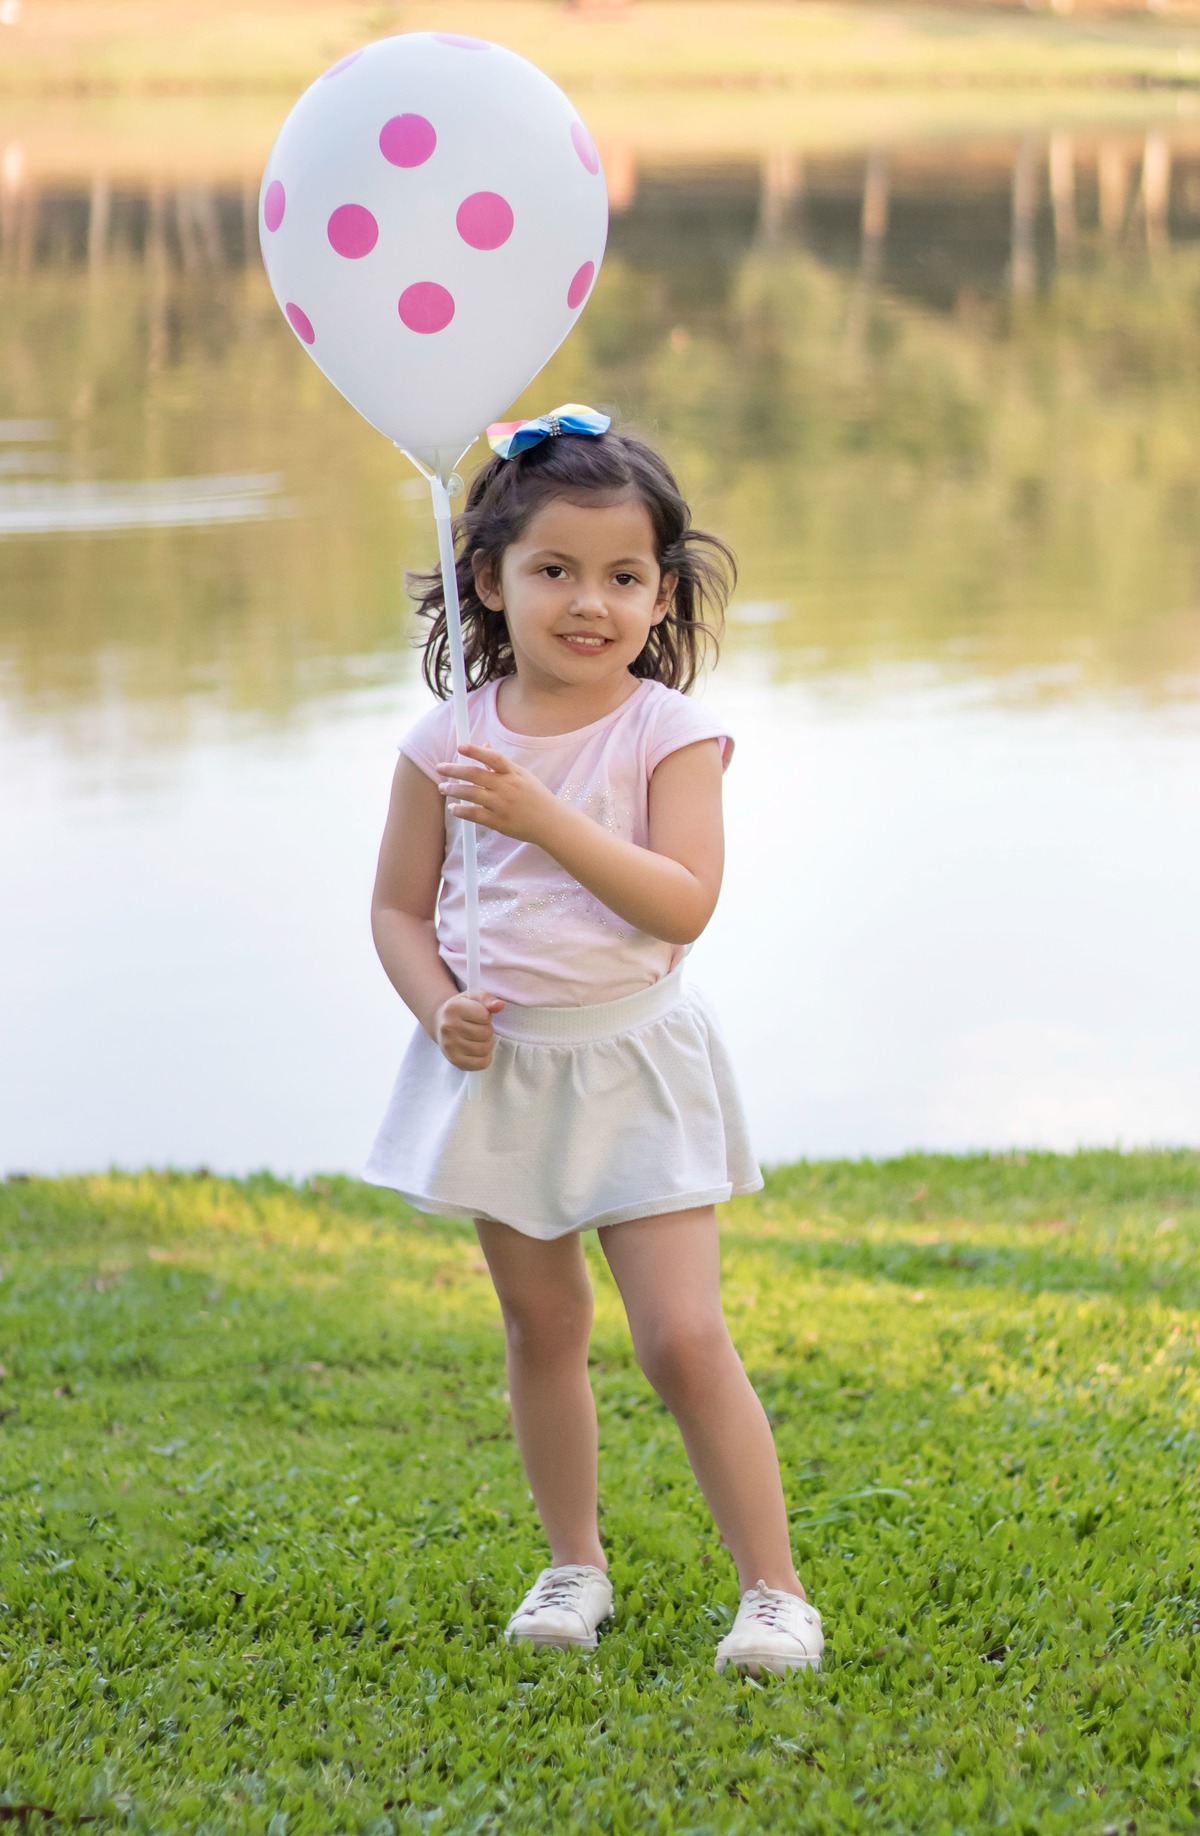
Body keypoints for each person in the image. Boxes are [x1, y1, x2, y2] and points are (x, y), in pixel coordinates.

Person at [363, 405, 824, 1679]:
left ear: (662, 592)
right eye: (553, 570)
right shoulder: (446, 745)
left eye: (623, 577)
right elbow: (399, 907)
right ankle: (575, 1564)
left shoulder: (668, 735)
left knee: (681, 1335)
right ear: (488, 584)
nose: (589, 602)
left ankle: (774, 1592)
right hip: (504, 1072)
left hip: (633, 1063)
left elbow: (681, 903)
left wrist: (540, 814)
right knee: (542, 1324)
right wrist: (433, 1003)